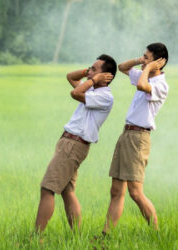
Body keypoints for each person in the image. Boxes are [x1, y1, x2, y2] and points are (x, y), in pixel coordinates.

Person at [35, 54, 117, 233]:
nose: (90, 72)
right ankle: (77, 236)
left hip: (73, 145)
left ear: (106, 76)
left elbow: (75, 93)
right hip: (70, 143)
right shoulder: (92, 90)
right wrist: (90, 73)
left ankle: (36, 237)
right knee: (67, 191)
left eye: (95, 69)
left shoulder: (104, 96)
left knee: (48, 189)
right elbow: (70, 77)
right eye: (90, 68)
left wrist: (93, 79)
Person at [102, 43, 168, 233]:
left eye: (147, 57)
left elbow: (141, 86)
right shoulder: (144, 74)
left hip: (139, 138)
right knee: (116, 190)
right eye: (143, 56)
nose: (142, 60)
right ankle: (106, 235)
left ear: (157, 63)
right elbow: (122, 67)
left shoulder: (160, 84)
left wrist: (147, 67)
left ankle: (157, 233)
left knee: (135, 192)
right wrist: (141, 61)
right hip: (127, 134)